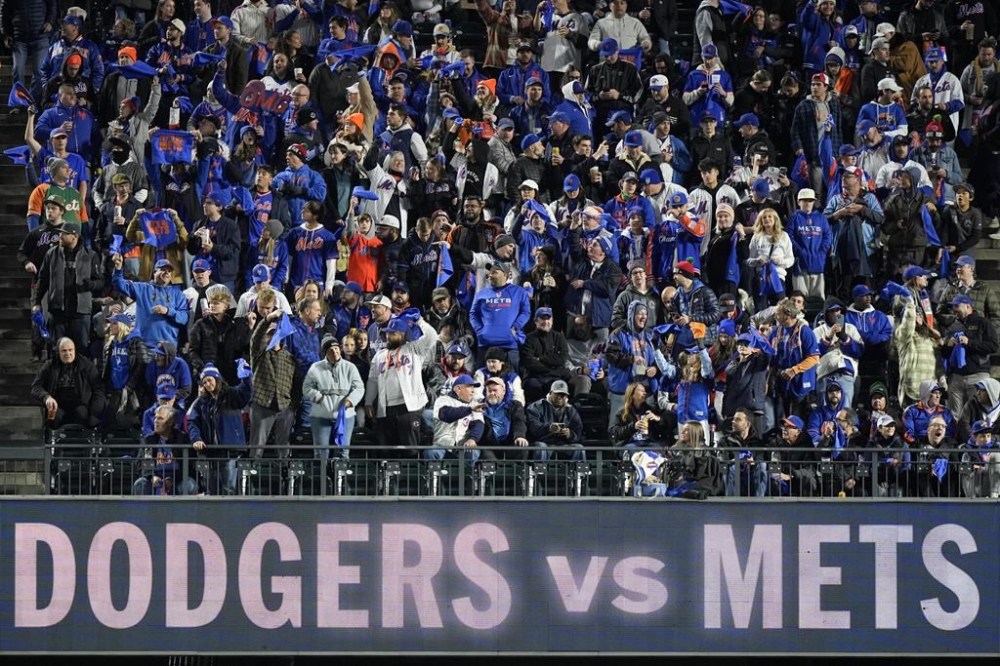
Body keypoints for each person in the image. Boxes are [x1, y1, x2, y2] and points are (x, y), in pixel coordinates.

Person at [31, 220, 102, 356]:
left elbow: (100, 281)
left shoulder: (91, 255)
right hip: (57, 311)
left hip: (81, 312)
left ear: (74, 236)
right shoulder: (51, 254)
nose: (59, 236)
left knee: (81, 351)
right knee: (56, 351)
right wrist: (36, 302)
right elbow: (42, 280)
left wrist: (91, 285)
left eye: (63, 234)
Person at [186, 361, 254, 495]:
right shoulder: (201, 402)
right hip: (211, 452)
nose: (207, 384)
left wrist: (246, 378)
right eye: (204, 382)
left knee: (228, 489)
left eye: (209, 380)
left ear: (217, 379)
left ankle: (228, 510)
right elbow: (192, 422)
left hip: (230, 450)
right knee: (212, 490)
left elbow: (245, 392)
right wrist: (196, 438)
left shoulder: (231, 394)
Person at [364, 318, 429, 454]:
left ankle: (411, 468)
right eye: (387, 333)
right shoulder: (379, 355)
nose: (388, 336)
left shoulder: (413, 349)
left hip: (408, 407)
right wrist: (369, 402)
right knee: (388, 449)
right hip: (385, 408)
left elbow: (431, 338)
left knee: (410, 449)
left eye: (392, 333)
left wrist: (420, 322)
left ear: (402, 334)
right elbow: (372, 380)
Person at [303, 334, 365, 464]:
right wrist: (320, 398)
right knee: (321, 453)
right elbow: (307, 388)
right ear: (325, 352)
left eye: (336, 348)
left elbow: (359, 388)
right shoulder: (315, 367)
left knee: (343, 452)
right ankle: (322, 476)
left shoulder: (350, 367)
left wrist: (350, 401)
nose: (334, 352)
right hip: (320, 416)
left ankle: (341, 477)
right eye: (330, 350)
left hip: (346, 416)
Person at [247, 309, 298, 460]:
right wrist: (268, 319)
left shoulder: (289, 358)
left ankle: (285, 475)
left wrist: (292, 405)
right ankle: (252, 474)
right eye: (270, 333)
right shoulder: (259, 353)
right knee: (256, 449)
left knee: (283, 451)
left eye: (276, 332)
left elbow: (295, 382)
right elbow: (255, 338)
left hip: (284, 407)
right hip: (262, 405)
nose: (273, 335)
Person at [111, 255, 190, 350]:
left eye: (169, 271)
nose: (167, 273)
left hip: (168, 348)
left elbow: (184, 318)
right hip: (144, 347)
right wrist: (118, 269)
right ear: (154, 272)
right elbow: (119, 285)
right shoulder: (142, 288)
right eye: (163, 269)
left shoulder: (178, 294)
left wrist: (168, 311)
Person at [31, 337, 106, 429]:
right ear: (58, 352)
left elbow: (99, 390)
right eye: (64, 351)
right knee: (54, 417)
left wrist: (94, 414)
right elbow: (36, 387)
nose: (68, 353)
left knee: (82, 414)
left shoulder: (87, 366)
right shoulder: (49, 366)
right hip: (57, 404)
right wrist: (46, 397)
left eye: (70, 350)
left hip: (81, 404)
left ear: (75, 350)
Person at [470, 263, 531, 371]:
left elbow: (526, 312)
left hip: (509, 345)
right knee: (483, 379)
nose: (490, 275)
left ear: (505, 275)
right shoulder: (481, 294)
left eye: (494, 272)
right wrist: (480, 330)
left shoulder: (519, 292)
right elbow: (473, 314)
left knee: (511, 379)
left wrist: (516, 327)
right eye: (490, 272)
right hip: (486, 344)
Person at [132, 405, 198, 496]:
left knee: (189, 484)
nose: (155, 421)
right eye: (155, 418)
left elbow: (189, 465)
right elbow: (141, 463)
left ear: (170, 422)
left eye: (160, 418)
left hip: (178, 479)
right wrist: (151, 477)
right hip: (154, 479)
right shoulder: (148, 440)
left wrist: (172, 479)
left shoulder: (183, 439)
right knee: (140, 484)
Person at [428, 374, 485, 468]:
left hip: (463, 447)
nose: (473, 391)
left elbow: (479, 423)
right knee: (431, 452)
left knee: (473, 451)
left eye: (474, 387)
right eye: (470, 387)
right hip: (442, 446)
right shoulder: (443, 400)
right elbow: (446, 414)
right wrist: (470, 409)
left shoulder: (474, 403)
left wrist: (473, 439)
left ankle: (469, 476)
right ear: (458, 389)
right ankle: (435, 477)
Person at [525, 380, 586, 461]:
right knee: (540, 447)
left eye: (563, 395)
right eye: (557, 394)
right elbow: (533, 428)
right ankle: (539, 469)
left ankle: (579, 470)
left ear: (566, 396)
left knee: (579, 448)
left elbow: (578, 432)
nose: (560, 397)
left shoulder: (571, 410)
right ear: (550, 393)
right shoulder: (536, 407)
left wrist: (570, 434)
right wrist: (548, 428)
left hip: (563, 444)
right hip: (543, 442)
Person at [609, 381, 669, 455]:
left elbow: (664, 429)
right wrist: (633, 426)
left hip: (648, 443)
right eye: (641, 391)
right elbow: (614, 432)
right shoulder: (622, 413)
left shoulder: (651, 410)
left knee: (659, 451)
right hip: (629, 443)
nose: (644, 393)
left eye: (645, 391)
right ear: (632, 394)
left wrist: (658, 419)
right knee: (634, 452)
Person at [721, 408, 767, 497]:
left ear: (747, 424)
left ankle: (759, 501)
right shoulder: (725, 441)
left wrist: (753, 463)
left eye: (738, 420)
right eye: (733, 419)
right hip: (732, 476)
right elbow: (722, 461)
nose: (733, 422)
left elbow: (760, 459)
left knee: (762, 465)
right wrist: (735, 461)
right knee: (733, 467)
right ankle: (730, 502)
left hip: (751, 477)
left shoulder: (757, 443)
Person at [769, 415, 819, 497]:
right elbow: (774, 464)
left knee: (810, 480)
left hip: (797, 480)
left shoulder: (806, 445)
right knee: (773, 481)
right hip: (782, 480)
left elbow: (809, 470)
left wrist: (792, 475)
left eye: (788, 427)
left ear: (798, 431)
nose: (784, 429)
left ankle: (808, 505)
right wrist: (777, 474)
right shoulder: (777, 442)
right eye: (784, 426)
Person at [910, 415, 959, 498]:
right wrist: (929, 467)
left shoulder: (952, 445)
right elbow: (913, 465)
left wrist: (938, 467)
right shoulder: (917, 445)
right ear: (928, 429)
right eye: (936, 425)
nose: (940, 428)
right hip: (924, 481)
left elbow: (955, 464)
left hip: (945, 481)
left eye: (943, 426)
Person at [959, 420, 1000, 498]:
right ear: (974, 437)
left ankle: (994, 495)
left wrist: (987, 468)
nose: (986, 439)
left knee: (996, 455)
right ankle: (971, 500)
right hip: (977, 485)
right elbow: (963, 469)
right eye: (982, 436)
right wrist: (974, 467)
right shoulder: (967, 449)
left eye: (988, 436)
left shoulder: (996, 447)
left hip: (994, 485)